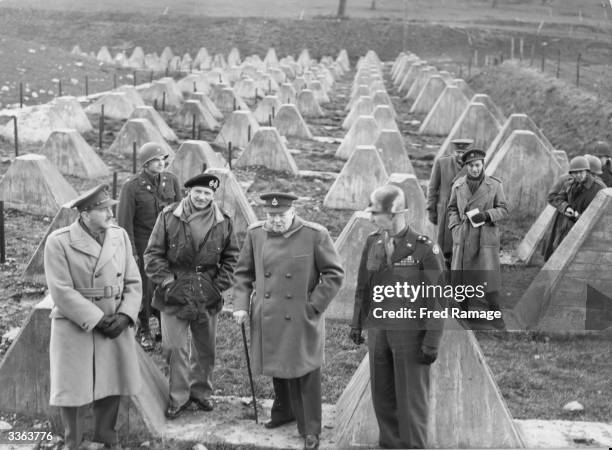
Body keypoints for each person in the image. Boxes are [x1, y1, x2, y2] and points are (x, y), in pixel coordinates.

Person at [232, 192, 344, 450]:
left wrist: (314, 305)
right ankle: (283, 413)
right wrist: (240, 305)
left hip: (301, 315)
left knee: (306, 371)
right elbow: (242, 274)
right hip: (269, 313)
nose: (276, 220)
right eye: (270, 215)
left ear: (292, 211)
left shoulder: (315, 234)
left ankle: (311, 428)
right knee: (277, 365)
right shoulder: (256, 233)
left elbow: (334, 273)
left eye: (280, 215)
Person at [44, 184, 142, 450]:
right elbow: (60, 290)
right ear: (85, 213)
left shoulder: (119, 236)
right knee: (73, 390)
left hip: (115, 321)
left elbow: (133, 281)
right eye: (104, 209)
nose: (111, 214)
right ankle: (72, 442)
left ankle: (107, 438)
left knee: (112, 383)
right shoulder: (59, 241)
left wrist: (126, 315)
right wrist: (97, 319)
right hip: (76, 324)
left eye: (110, 208)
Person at [350, 184, 444, 449]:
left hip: (410, 337)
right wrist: (357, 324)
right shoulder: (373, 242)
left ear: (394, 214)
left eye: (375, 213)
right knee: (383, 396)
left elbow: (438, 300)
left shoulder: (425, 249)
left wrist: (431, 342)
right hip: (379, 333)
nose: (371, 219)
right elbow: (363, 286)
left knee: (411, 400)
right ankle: (389, 444)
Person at [144, 173, 239, 419]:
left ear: (213, 196)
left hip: (206, 291)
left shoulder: (224, 221)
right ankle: (179, 397)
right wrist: (167, 282)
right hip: (173, 291)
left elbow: (232, 258)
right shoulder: (168, 216)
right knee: (175, 347)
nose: (202, 197)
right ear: (188, 191)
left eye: (208, 193)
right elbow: (153, 254)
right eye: (198, 192)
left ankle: (201, 393)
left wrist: (217, 286)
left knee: (205, 348)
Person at [117, 142, 182, 350]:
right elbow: (125, 222)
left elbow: (180, 213)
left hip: (168, 242)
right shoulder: (132, 187)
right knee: (145, 288)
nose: (161, 163)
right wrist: (132, 252)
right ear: (145, 164)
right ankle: (143, 329)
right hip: (144, 243)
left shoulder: (171, 181)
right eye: (155, 160)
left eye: (163, 159)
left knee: (167, 284)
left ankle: (165, 326)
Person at [447, 149, 508, 329]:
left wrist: (487, 215)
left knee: (489, 277)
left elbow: (504, 209)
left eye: (478, 165)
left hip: (485, 237)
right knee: (463, 276)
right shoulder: (458, 185)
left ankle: (496, 315)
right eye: (471, 166)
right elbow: (451, 208)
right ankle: (465, 313)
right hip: (464, 236)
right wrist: (455, 227)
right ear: (466, 167)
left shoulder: (495, 185)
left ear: (483, 165)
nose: (474, 169)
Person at [543, 156, 605, 260]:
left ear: (587, 171)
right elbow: (558, 198)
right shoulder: (569, 184)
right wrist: (566, 208)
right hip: (566, 228)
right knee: (558, 255)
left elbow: (602, 215)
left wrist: (578, 216)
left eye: (581, 172)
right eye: (575, 173)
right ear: (571, 174)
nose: (578, 175)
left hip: (586, 232)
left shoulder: (600, 188)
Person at [427, 138, 472, 269]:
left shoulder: (474, 166)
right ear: (453, 151)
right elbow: (432, 188)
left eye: (463, 152)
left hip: (464, 210)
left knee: (462, 241)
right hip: (445, 209)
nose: (460, 155)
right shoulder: (442, 162)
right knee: (444, 242)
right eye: (458, 151)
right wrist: (431, 208)